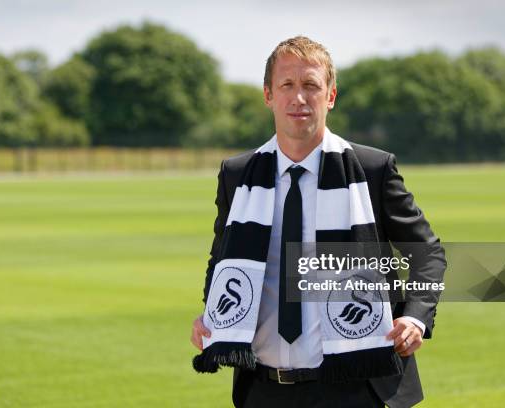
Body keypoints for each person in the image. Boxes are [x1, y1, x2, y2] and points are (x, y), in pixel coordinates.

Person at [190, 36, 446, 408]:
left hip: (354, 386)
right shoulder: (238, 174)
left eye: (311, 85)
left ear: (330, 96)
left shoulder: (372, 169)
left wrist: (416, 317)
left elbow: (428, 253)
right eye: (287, 85)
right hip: (263, 389)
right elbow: (223, 260)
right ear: (268, 95)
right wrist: (213, 313)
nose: (299, 98)